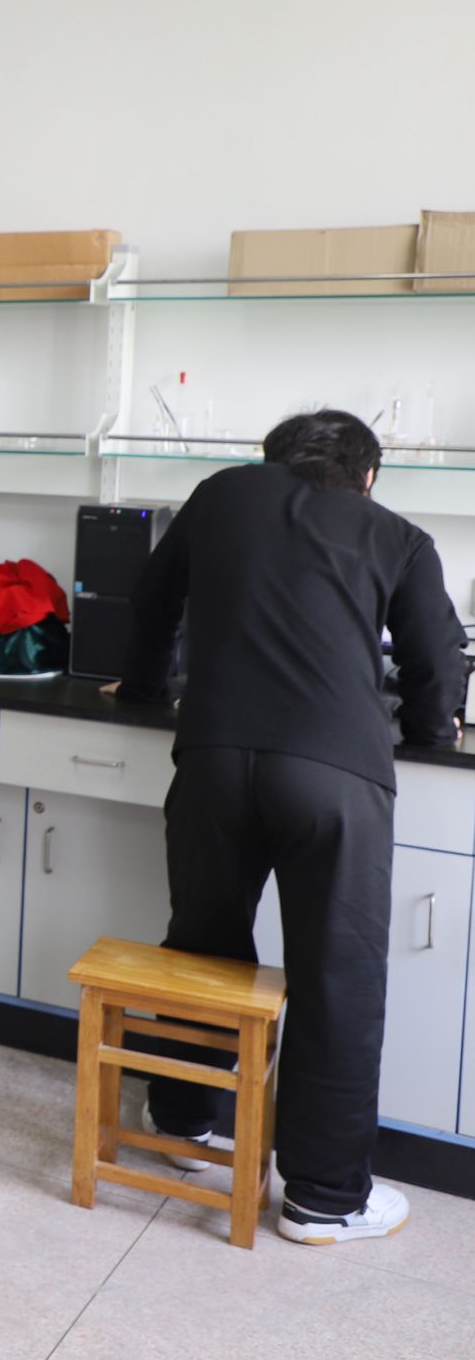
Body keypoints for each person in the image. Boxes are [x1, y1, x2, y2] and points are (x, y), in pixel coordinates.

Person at [110, 409, 467, 1245]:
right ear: (367, 476)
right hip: (333, 775)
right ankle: (323, 1198)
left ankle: (186, 1124)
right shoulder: (398, 535)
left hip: (213, 760)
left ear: (269, 461)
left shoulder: (221, 496)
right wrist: (429, 731)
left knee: (203, 943)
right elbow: (436, 658)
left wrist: (140, 691)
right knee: (336, 975)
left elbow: (151, 601)